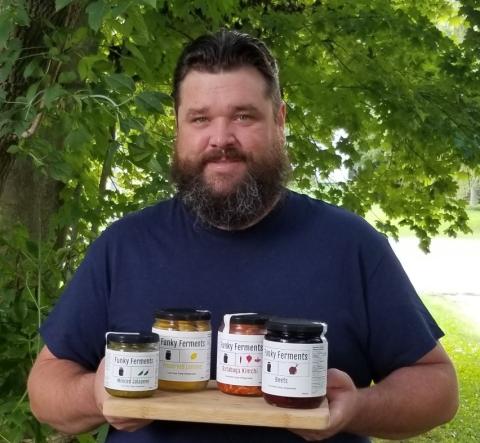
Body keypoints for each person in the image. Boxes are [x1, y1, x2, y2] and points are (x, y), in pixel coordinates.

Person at [28, 29, 458, 442]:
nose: (221, 139)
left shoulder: (351, 246)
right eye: (200, 119)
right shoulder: (123, 246)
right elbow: (47, 387)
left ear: (280, 120)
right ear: (178, 127)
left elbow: (437, 388)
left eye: (243, 116)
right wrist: (96, 394)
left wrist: (355, 409)